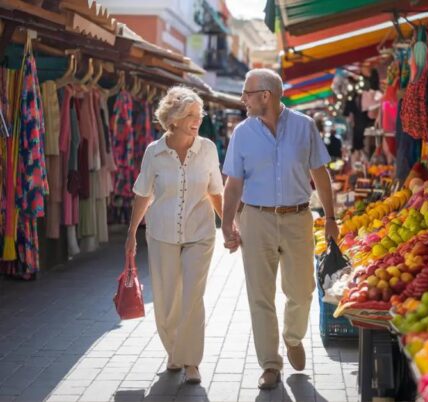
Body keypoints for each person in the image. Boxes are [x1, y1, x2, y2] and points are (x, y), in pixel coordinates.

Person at [221, 69, 339, 390]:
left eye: (247, 93)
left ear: (265, 96)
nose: (243, 99)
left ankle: (293, 337)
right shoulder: (243, 133)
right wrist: (226, 222)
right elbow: (233, 184)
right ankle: (270, 364)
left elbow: (321, 174)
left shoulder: (304, 127)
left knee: (302, 290)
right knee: (260, 295)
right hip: (255, 219)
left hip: (298, 218)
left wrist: (330, 218)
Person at [125, 86, 224, 385]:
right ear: (174, 119)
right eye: (191, 115)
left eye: (199, 114)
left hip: (200, 233)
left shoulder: (207, 149)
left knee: (193, 297)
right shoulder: (153, 152)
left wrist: (231, 225)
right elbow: (143, 194)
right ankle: (174, 350)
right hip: (162, 233)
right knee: (167, 302)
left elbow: (214, 191)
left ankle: (191, 361)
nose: (197, 120)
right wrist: (131, 234)